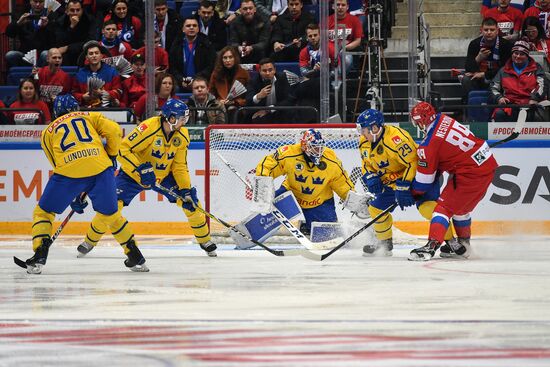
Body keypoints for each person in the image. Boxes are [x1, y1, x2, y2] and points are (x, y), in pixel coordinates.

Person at [76, 99, 218, 258]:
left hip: (163, 177)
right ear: (170, 118)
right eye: (181, 119)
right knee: (112, 207)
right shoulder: (148, 127)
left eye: (185, 119)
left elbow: (179, 166)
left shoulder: (182, 135)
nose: (184, 123)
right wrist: (139, 169)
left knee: (191, 203)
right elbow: (123, 149)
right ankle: (89, 241)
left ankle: (205, 240)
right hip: (133, 176)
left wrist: (185, 189)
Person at [22, 94, 147, 274]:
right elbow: (114, 130)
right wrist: (111, 156)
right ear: (76, 108)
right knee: (111, 214)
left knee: (44, 212)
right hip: (102, 168)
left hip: (69, 171)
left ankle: (40, 253)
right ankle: (135, 255)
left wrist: (75, 192)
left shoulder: (47, 132)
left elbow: (59, 165)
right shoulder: (88, 116)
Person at [356, 109, 456, 257]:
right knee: (376, 209)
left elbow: (414, 162)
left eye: (364, 130)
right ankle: (384, 243)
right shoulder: (364, 141)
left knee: (428, 208)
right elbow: (366, 163)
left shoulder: (397, 139)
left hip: (419, 177)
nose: (362, 134)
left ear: (375, 128)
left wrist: (403, 187)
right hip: (393, 182)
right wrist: (370, 176)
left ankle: (451, 242)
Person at [408, 101, 498, 261]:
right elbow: (447, 151)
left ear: (421, 120)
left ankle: (431, 246)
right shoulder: (443, 119)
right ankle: (463, 245)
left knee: (442, 209)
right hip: (487, 164)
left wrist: (411, 192)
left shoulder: (428, 145)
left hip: (469, 173)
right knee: (460, 209)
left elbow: (424, 182)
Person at [255, 128, 355, 235]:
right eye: (314, 148)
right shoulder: (289, 153)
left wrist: (354, 200)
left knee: (327, 235)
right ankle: (252, 231)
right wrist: (263, 185)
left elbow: (342, 182)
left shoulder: (331, 160)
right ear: (305, 146)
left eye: (320, 148)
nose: (319, 152)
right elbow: (268, 165)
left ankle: (307, 228)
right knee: (264, 216)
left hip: (319, 199)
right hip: (291, 194)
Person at [489, 40, 546, 122]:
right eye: (515, 53)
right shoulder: (503, 70)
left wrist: (535, 98)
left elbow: (542, 85)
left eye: (522, 54)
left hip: (530, 104)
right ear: (512, 54)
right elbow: (493, 87)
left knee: (537, 116)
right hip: (510, 105)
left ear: (527, 56)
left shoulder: (536, 68)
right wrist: (499, 98)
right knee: (499, 114)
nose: (518, 56)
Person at [461, 17, 513, 100]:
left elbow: (506, 69)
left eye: (492, 30)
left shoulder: (506, 45)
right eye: (486, 30)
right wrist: (478, 58)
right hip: (478, 77)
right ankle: (472, 104)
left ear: (497, 31)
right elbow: (468, 67)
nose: (489, 32)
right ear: (481, 30)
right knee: (466, 79)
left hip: (498, 77)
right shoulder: (474, 44)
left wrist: (485, 74)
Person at [169, 17, 217, 91]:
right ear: (183, 29)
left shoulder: (206, 44)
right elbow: (172, 67)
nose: (191, 27)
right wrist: (181, 80)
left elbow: (210, 66)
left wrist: (195, 79)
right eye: (188, 26)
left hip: (201, 80)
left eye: (194, 26)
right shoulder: (176, 44)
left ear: (198, 29)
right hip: (180, 82)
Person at [5, 0, 56, 68]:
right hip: (25, 54)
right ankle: (20, 76)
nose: (37, 4)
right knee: (10, 55)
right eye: (35, 1)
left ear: (44, 2)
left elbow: (55, 39)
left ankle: (42, 76)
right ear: (30, 1)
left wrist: (47, 26)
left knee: (46, 54)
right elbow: (9, 34)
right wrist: (18, 23)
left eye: (41, 2)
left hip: (42, 53)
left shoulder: (51, 15)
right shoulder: (22, 14)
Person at [72, 41, 122, 108]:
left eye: (96, 53)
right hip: (86, 110)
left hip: (107, 109)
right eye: (91, 54)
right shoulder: (80, 74)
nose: (94, 55)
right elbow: (73, 93)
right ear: (86, 57)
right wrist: (82, 97)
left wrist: (103, 93)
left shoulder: (112, 72)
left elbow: (118, 91)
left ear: (101, 56)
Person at [245, 58, 294, 123]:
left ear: (275, 70)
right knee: (257, 118)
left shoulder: (282, 78)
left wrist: (269, 109)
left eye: (270, 70)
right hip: (260, 113)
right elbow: (248, 101)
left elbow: (288, 99)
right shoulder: (253, 81)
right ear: (260, 71)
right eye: (264, 71)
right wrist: (258, 96)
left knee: (291, 113)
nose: (267, 73)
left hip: (278, 110)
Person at [209, 46, 250, 119]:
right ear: (221, 60)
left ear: (235, 58)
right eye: (225, 58)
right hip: (220, 105)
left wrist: (235, 102)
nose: (228, 60)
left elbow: (249, 96)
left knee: (232, 109)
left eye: (230, 57)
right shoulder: (216, 74)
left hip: (238, 106)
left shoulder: (244, 73)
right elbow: (211, 94)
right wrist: (219, 101)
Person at [54, 0, 98, 66]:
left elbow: (91, 42)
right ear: (67, 11)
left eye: (78, 10)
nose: (75, 13)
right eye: (72, 10)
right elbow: (60, 43)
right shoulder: (60, 22)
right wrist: (71, 27)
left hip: (83, 51)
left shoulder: (90, 20)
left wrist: (68, 48)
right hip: (66, 54)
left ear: (82, 10)